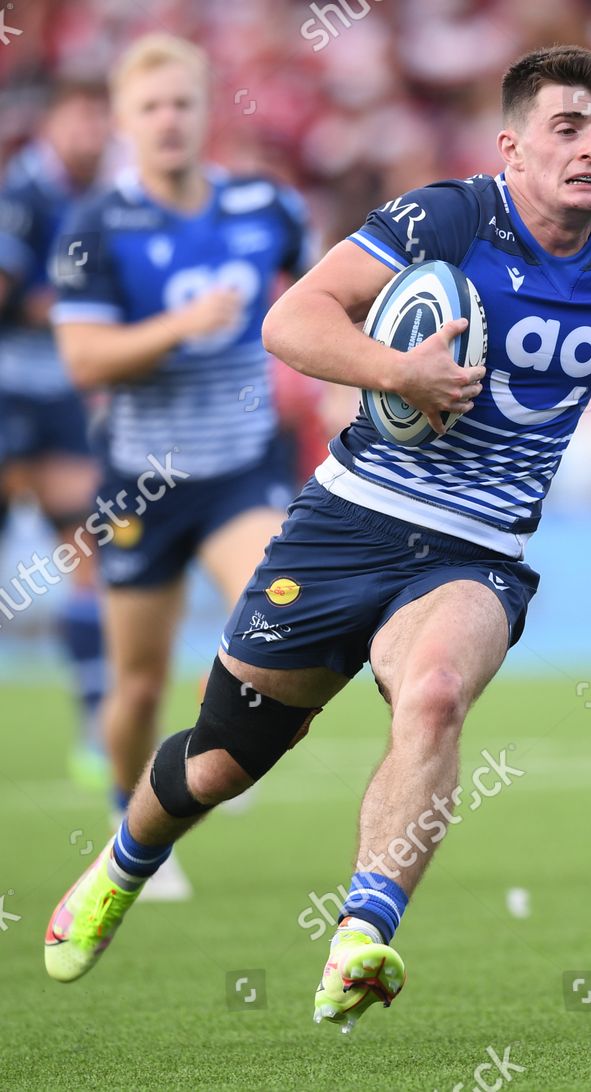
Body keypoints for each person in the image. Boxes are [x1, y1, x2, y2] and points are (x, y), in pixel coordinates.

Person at [43, 44, 591, 1033]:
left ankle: (358, 937)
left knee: (431, 697)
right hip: (349, 522)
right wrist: (397, 373)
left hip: (482, 553)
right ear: (511, 146)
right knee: (222, 760)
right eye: (566, 127)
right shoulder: (449, 216)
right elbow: (292, 320)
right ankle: (124, 864)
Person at [45, 35, 309, 901]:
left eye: (182, 104)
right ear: (124, 121)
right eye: (150, 107)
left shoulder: (266, 206)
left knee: (275, 609)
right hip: (141, 484)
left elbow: (329, 296)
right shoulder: (93, 231)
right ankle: (134, 827)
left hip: (241, 468)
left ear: (206, 111)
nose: (168, 121)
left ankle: (219, 745)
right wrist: (182, 324)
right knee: (139, 680)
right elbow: (84, 362)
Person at [0, 82, 111, 788]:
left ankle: (96, 727)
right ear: (54, 123)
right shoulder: (25, 190)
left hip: (64, 395)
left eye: (100, 122)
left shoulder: (100, 200)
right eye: (81, 118)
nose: (91, 134)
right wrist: (63, 308)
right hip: (10, 387)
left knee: (87, 552)